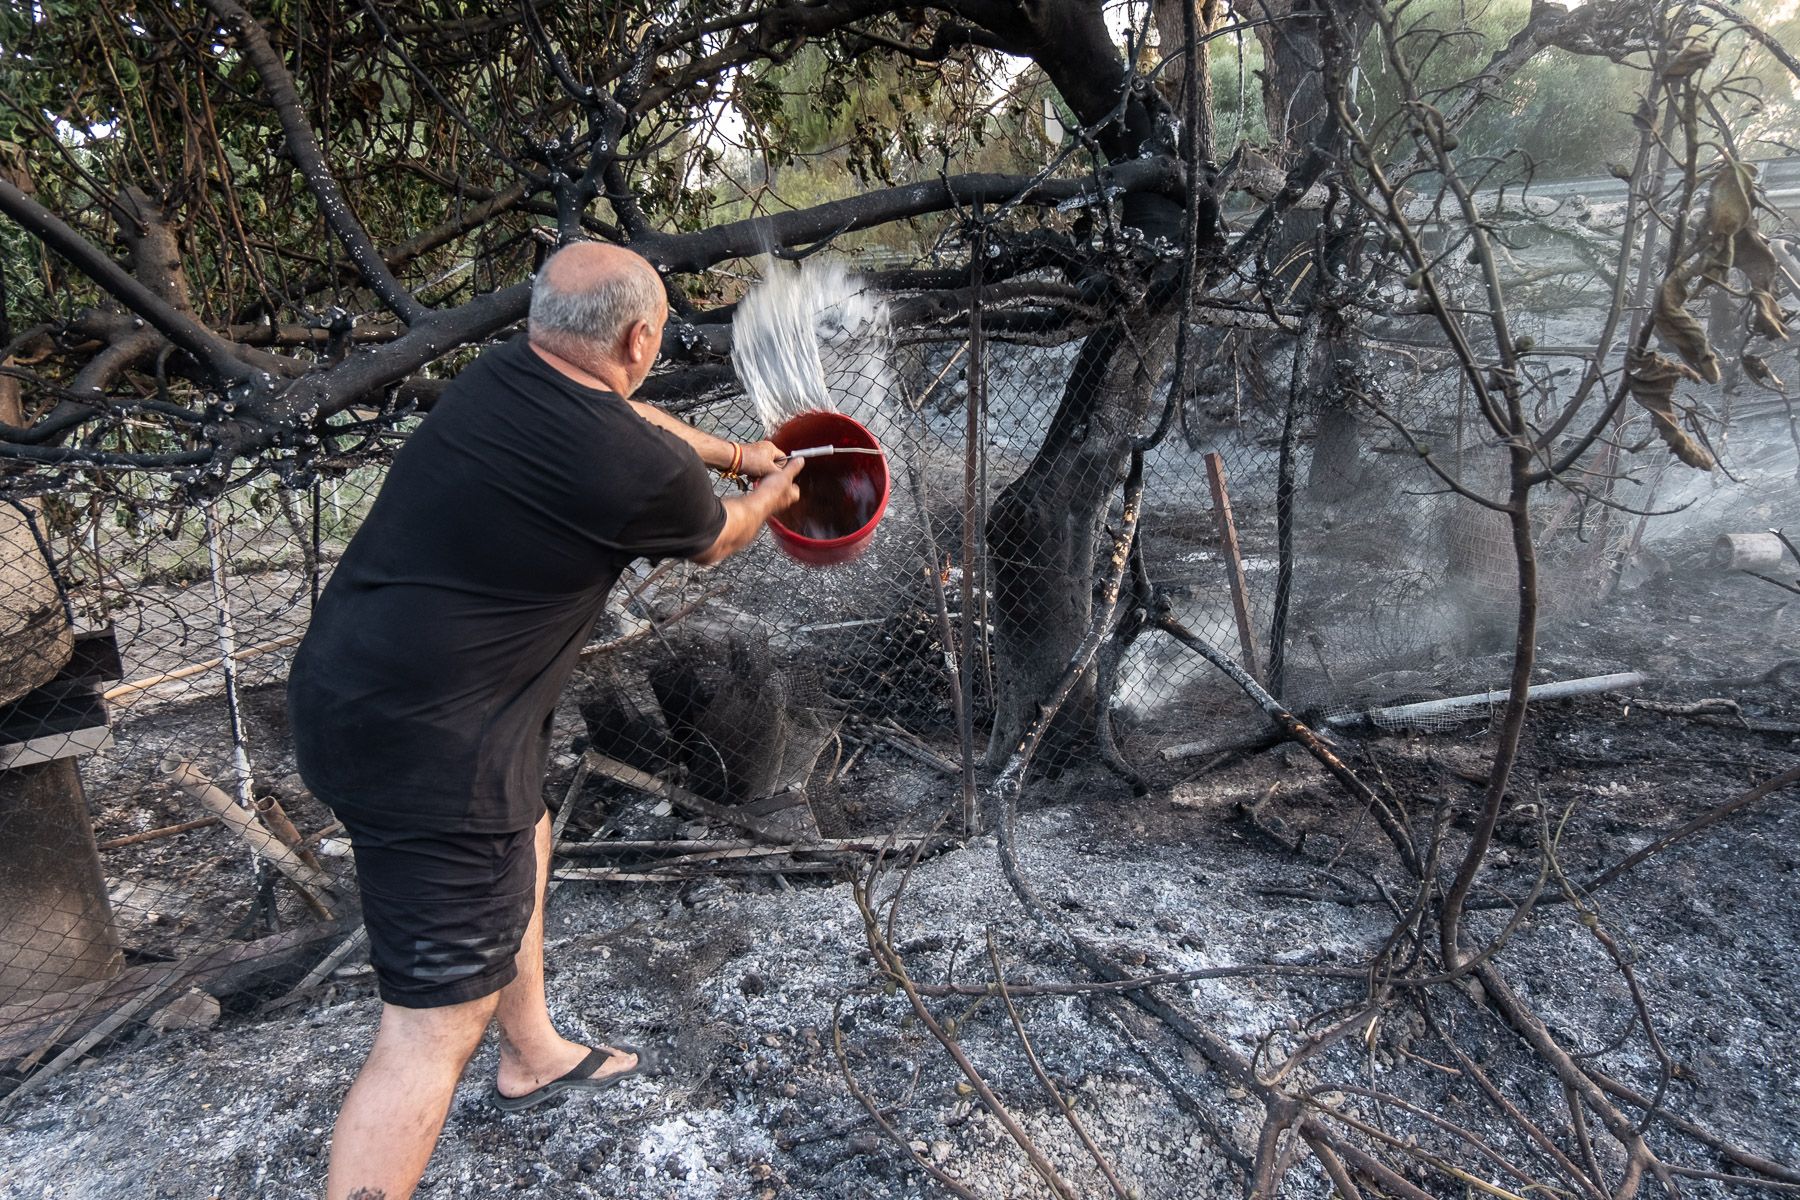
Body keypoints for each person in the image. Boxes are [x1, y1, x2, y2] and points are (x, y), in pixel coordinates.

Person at [287, 242, 803, 1200]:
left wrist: (736, 453)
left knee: (526, 825)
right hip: (432, 749)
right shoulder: (637, 472)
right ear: (640, 338)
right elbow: (721, 535)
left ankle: (532, 1054)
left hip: (350, 687)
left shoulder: (501, 376)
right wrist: (768, 493)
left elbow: (630, 415)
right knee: (432, 1027)